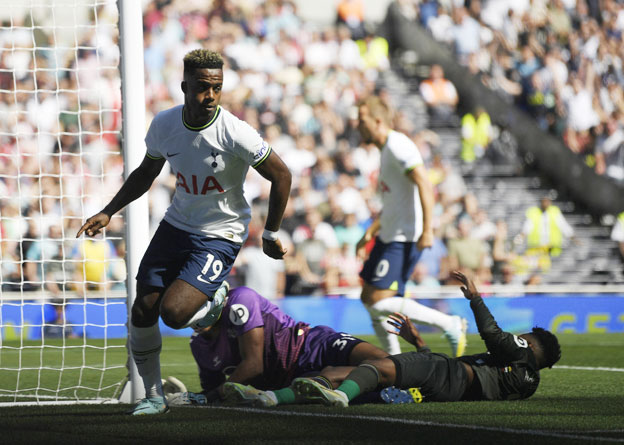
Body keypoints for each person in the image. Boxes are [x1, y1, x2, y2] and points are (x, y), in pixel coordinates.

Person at [76, 49, 292, 415]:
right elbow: (146, 173)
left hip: (220, 233)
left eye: (217, 88)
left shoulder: (235, 132)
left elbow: (282, 174)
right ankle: (154, 396)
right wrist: (108, 211)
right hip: (177, 225)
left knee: (174, 314)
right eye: (202, 88)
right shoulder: (164, 124)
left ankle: (216, 297)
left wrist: (270, 233)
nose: (209, 97)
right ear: (184, 86)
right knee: (143, 311)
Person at [289, 271, 561, 407]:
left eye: (524, 337)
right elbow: (460, 375)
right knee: (346, 376)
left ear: (533, 344)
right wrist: (420, 344)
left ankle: (328, 397)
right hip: (445, 384)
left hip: (446, 374)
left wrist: (475, 298)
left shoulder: (522, 354)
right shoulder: (527, 383)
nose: (519, 337)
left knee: (370, 369)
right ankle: (284, 397)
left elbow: (493, 335)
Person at [354, 96, 467, 357]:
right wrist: (369, 233)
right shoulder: (385, 150)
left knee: (378, 300)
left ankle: (449, 323)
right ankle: (396, 361)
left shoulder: (397, 146)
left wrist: (428, 229)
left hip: (404, 238)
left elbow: (425, 184)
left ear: (378, 121)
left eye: (362, 120)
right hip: (388, 235)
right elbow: (393, 202)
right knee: (368, 298)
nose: (357, 125)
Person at [166, 285, 388, 407]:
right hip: (289, 380)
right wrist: (201, 398)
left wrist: (204, 397)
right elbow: (215, 392)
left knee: (385, 362)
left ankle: (418, 365)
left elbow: (253, 366)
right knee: (357, 391)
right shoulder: (199, 344)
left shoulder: (240, 299)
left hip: (311, 345)